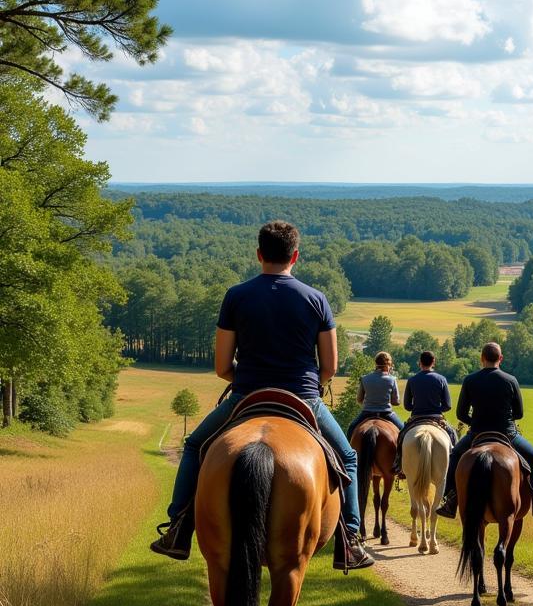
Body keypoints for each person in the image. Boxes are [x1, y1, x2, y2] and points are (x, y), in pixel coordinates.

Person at [150, 220, 373, 570]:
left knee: (194, 445)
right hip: (304, 398)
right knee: (347, 458)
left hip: (246, 396)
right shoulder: (316, 299)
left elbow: (223, 366)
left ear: (259, 255)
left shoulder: (236, 296)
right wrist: (313, 382)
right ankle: (353, 541)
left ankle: (178, 528)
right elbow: (329, 367)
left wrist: (247, 378)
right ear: (295, 256)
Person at [435, 341, 533, 518]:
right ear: (501, 358)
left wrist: (474, 423)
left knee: (456, 455)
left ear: (482, 359)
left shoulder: (470, 380)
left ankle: (450, 500)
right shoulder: (511, 380)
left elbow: (460, 413)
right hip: (507, 434)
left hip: (477, 433)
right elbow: (519, 413)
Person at [392, 350, 457, 474]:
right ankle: (453, 469)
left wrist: (417, 406)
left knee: (401, 437)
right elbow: (448, 405)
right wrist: (436, 408)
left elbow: (407, 406)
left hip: (417, 417)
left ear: (419, 363)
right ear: (433, 362)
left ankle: (399, 465)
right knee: (453, 435)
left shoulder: (412, 380)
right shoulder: (441, 379)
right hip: (436, 417)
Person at [346, 351, 404, 440]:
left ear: (376, 363)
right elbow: (395, 402)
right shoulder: (392, 380)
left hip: (367, 412)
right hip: (386, 413)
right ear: (388, 364)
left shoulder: (365, 378)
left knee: (351, 429)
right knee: (404, 430)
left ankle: (348, 452)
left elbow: (359, 399)